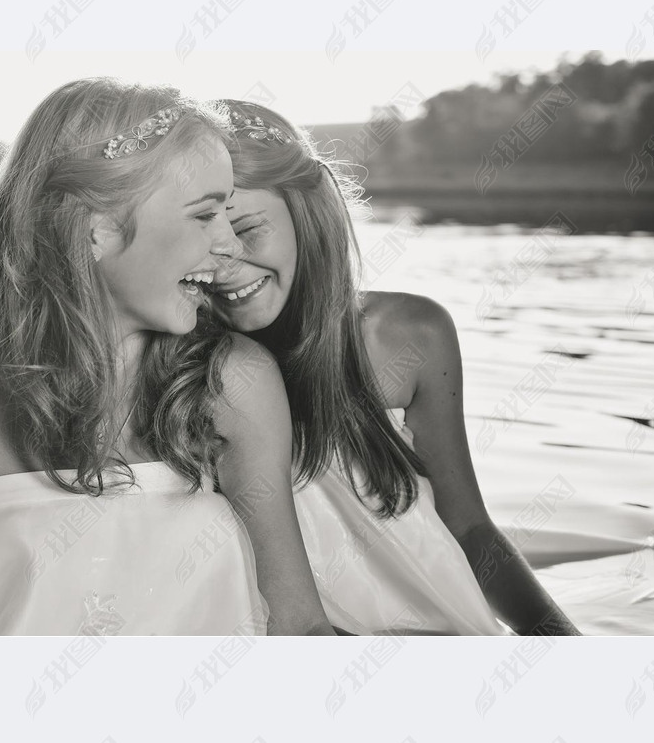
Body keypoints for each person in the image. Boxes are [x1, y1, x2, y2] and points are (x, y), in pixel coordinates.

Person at [0, 80, 336, 635]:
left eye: (229, 213)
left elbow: (297, 623)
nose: (229, 245)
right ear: (93, 229)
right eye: (204, 215)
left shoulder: (233, 384)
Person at [210, 99, 581, 635]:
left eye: (246, 229)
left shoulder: (411, 334)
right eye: (204, 241)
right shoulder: (186, 371)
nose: (227, 268)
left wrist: (562, 642)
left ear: (306, 214)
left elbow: (470, 527)